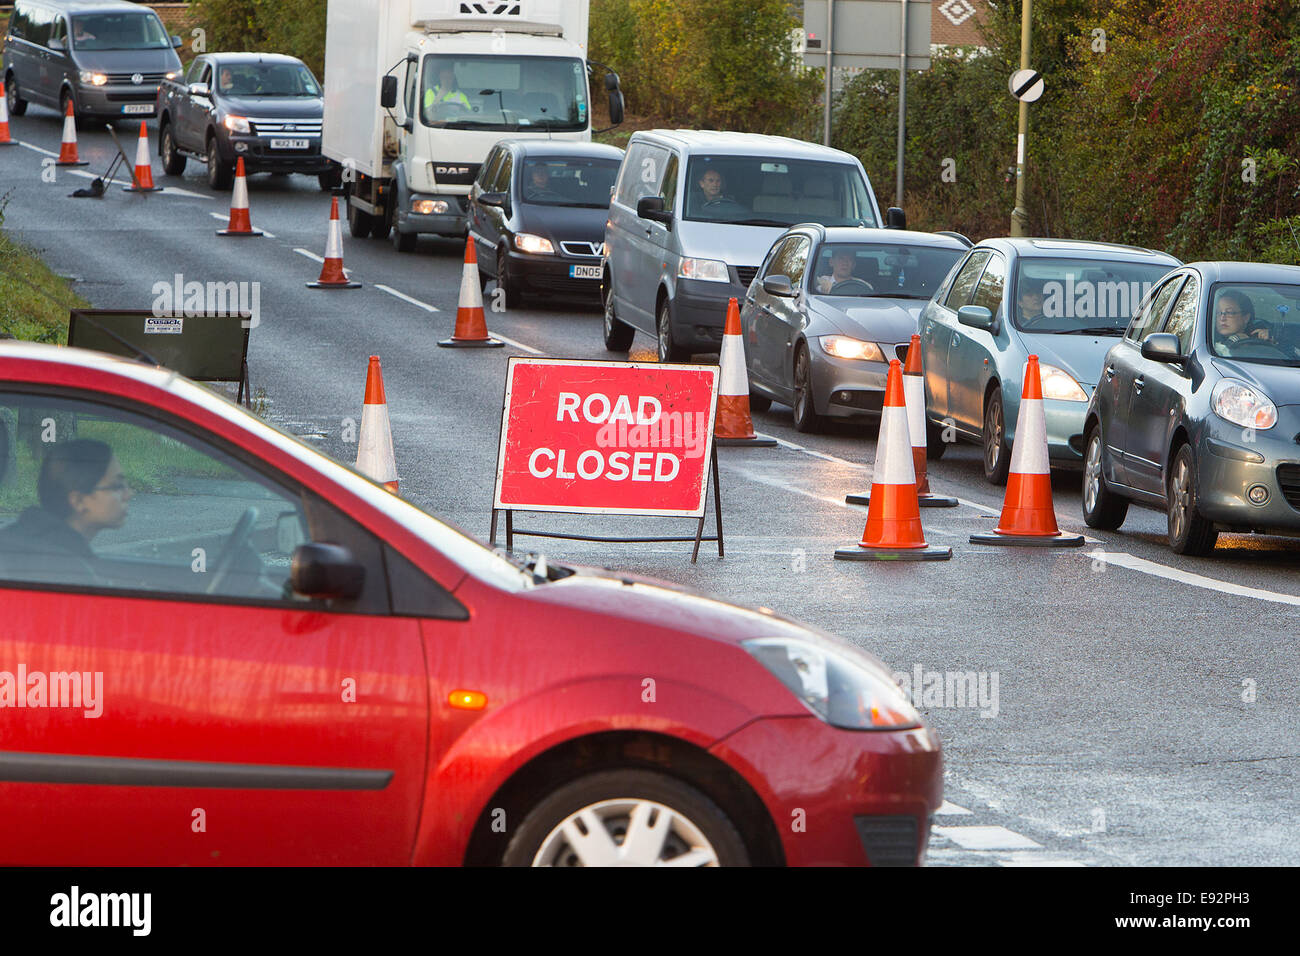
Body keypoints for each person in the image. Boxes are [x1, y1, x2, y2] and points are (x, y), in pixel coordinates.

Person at [0, 439, 131, 584]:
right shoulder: (68, 572)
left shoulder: (21, 538)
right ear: (79, 501)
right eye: (116, 486)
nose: (129, 494)